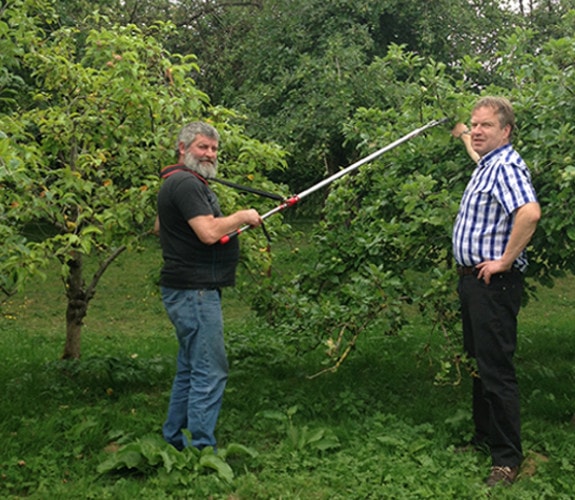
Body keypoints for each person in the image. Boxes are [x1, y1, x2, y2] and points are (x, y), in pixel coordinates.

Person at [155, 121, 262, 451]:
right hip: (194, 292)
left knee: (190, 369)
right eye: (203, 147)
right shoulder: (187, 184)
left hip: (187, 289)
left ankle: (175, 440)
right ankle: (200, 451)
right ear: (183, 148)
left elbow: (161, 227)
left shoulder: (177, 182)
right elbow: (208, 232)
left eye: (214, 149)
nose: (210, 154)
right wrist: (242, 216)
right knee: (210, 371)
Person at [452, 97, 541, 486]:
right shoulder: (489, 163)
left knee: (495, 370)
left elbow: (529, 212)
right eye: (474, 124)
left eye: (485, 125)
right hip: (474, 282)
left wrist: (504, 261)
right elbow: (476, 152)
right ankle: (484, 437)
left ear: (506, 131)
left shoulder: (506, 166)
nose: (477, 130)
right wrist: (462, 138)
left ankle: (506, 460)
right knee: (478, 364)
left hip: (492, 284)